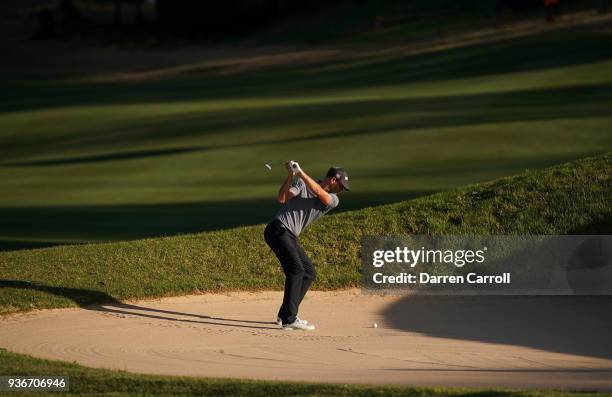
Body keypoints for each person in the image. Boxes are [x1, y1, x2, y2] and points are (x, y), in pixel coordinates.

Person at [264, 161, 350, 330]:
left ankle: (285, 315)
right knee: (296, 270)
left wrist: (301, 172)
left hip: (289, 235)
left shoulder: (334, 199)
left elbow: (319, 192)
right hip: (278, 229)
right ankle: (290, 318)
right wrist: (291, 175)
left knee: (308, 272)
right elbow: (282, 198)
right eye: (341, 186)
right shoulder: (301, 183)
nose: (342, 190)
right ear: (333, 180)